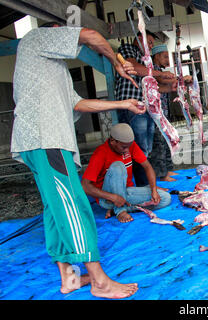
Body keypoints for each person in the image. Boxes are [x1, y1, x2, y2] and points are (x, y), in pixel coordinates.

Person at [10, 22, 142, 298]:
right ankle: (99, 281)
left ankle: (68, 277)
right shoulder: (36, 38)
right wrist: (116, 62)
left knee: (54, 209)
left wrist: (123, 104)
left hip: (40, 142)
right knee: (74, 204)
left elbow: (79, 104)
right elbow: (92, 35)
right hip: (46, 139)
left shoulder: (51, 69)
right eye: (66, 31)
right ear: (56, 30)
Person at [114, 30, 176, 187]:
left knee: (147, 148)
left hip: (146, 107)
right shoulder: (128, 49)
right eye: (148, 42)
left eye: (151, 44)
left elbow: (158, 87)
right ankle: (144, 185)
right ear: (138, 38)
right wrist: (158, 74)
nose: (150, 45)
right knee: (140, 147)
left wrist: (174, 86)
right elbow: (133, 67)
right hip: (132, 105)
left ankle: (149, 183)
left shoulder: (146, 62)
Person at [81, 123, 171, 223]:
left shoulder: (129, 145)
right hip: (108, 198)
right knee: (118, 166)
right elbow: (85, 186)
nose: (127, 150)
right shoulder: (100, 153)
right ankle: (120, 211)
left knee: (165, 198)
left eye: (129, 146)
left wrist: (153, 189)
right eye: (124, 147)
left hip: (127, 192)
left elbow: (148, 167)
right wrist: (113, 197)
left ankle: (120, 208)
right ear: (113, 141)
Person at [149, 44, 192, 182]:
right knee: (159, 144)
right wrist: (181, 79)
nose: (168, 59)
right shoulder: (153, 71)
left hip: (164, 114)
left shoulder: (162, 71)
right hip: (156, 115)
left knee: (167, 141)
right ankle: (162, 174)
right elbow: (162, 80)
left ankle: (167, 169)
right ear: (156, 56)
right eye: (165, 56)